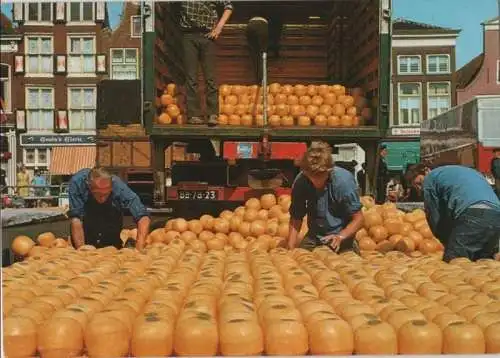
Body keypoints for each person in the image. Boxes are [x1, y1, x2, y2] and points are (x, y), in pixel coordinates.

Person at [406, 164, 500, 262]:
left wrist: (448, 242)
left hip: (474, 214)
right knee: (483, 264)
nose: (420, 187)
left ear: (426, 171)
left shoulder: (430, 178)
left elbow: (434, 217)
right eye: (416, 186)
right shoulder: (455, 171)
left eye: (419, 182)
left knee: (453, 263)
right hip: (496, 214)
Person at [284, 141, 364, 253]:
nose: (316, 180)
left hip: (342, 235)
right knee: (300, 260)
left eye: (320, 176)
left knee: (347, 264)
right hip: (315, 236)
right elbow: (296, 216)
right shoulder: (301, 182)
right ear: (306, 172)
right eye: (312, 176)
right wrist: (290, 247)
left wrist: (340, 237)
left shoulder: (343, 182)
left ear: (329, 170)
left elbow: (359, 219)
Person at [68, 167, 151, 250]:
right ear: (88, 185)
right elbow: (76, 219)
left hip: (110, 224)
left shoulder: (119, 187)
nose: (103, 199)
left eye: (106, 194)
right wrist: (82, 250)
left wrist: (139, 248)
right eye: (99, 194)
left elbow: (143, 217)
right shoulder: (77, 183)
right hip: (86, 228)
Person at [179, 1, 233, 126]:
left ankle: (212, 114)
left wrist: (219, 27)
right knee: (191, 77)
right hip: (188, 35)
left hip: (208, 35)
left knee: (210, 77)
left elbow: (229, 6)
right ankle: (193, 115)